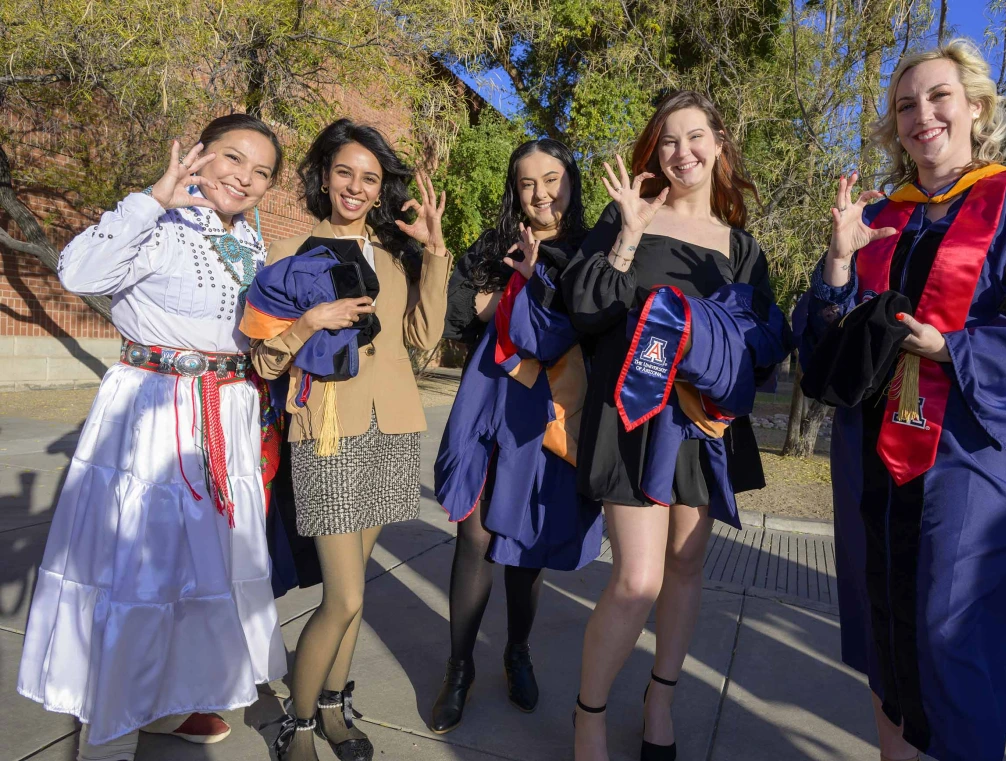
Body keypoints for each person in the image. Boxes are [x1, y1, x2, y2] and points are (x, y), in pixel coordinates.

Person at [794, 39, 1006, 761]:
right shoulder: (877, 217)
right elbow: (824, 357)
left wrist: (952, 347)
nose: (920, 114)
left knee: (954, 643)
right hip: (876, 464)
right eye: (904, 105)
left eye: (937, 97)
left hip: (971, 460)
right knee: (886, 634)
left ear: (976, 108)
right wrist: (837, 263)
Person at [17, 114, 288, 761]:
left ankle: (165, 703)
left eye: (260, 172)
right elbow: (78, 272)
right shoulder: (159, 222)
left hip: (225, 418)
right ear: (199, 155)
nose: (244, 178)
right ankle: (108, 735)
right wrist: (152, 199)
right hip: (154, 416)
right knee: (138, 575)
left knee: (201, 573)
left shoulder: (249, 242)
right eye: (232, 159)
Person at [564, 91, 791, 761]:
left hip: (703, 423)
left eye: (696, 137)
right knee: (637, 578)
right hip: (634, 416)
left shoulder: (741, 247)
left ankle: (660, 698)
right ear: (654, 151)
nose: (682, 151)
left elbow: (767, 338)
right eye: (668, 140)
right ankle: (589, 716)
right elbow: (583, 306)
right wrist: (629, 239)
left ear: (720, 144)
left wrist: (719, 364)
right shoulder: (626, 215)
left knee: (687, 563)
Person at [247, 119, 450, 761]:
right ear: (324, 176)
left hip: (390, 430)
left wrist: (436, 252)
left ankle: (335, 708)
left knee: (357, 588)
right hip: (326, 434)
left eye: (370, 177)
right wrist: (308, 322)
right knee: (345, 596)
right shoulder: (285, 254)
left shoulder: (392, 258)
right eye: (345, 173)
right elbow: (263, 363)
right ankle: (298, 725)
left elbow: (423, 339)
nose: (356, 187)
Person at [430, 138, 603, 734]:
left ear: (570, 181)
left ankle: (517, 652)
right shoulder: (493, 244)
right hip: (489, 399)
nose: (541, 194)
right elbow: (455, 314)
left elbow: (587, 322)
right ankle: (458, 668)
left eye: (552, 179)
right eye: (527, 182)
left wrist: (526, 296)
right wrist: (511, 295)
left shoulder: (590, 250)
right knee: (472, 539)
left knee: (526, 544)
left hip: (550, 412)